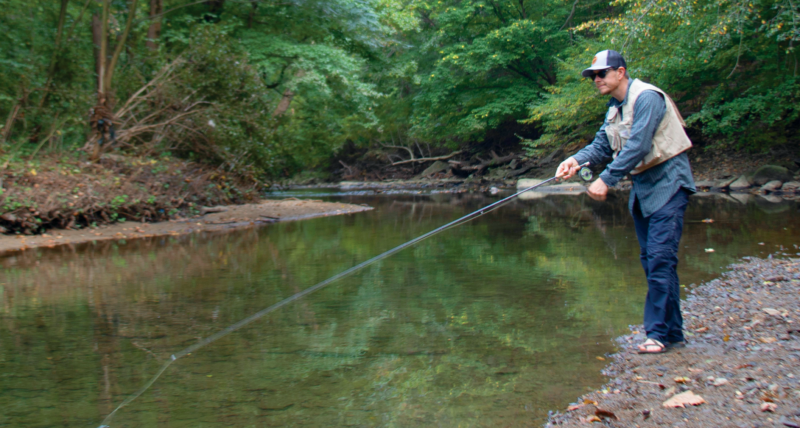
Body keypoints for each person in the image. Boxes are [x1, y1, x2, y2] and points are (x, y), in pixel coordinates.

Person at [556, 50, 696, 354]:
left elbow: (638, 145)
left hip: (670, 183)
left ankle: (656, 334)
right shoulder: (614, 107)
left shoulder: (647, 98)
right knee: (654, 261)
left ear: (620, 72)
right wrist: (575, 161)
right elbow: (603, 143)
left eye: (601, 73)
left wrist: (606, 179)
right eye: (593, 75)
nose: (596, 79)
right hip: (644, 188)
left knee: (660, 258)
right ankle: (673, 333)